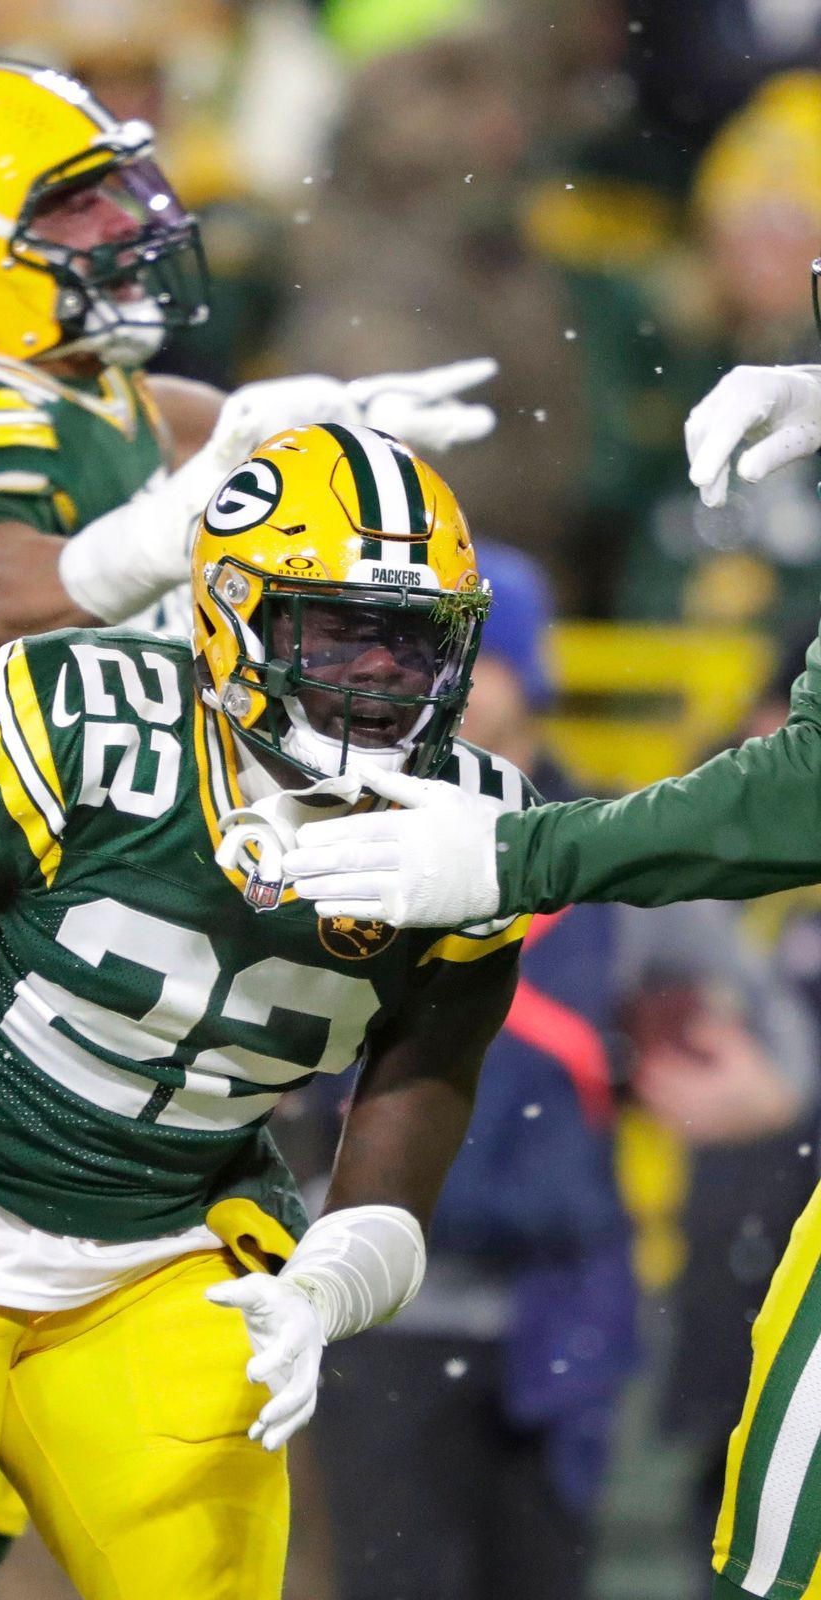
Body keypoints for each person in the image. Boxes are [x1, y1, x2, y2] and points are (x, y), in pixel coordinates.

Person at [0, 426, 535, 1600]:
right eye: (341, 630)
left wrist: (327, 1288)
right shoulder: (96, 723)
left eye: (415, 639)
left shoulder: (473, 830)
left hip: (161, 1250)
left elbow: (412, 1120)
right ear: (229, 617)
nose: (382, 674)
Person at [282, 352, 821, 1600]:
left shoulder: (617, 844)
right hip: (384, 1293)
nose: (414, 679)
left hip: (557, 1297)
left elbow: (768, 1060)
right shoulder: (318, 820)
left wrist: (693, 1075)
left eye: (442, 649)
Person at [0, 54, 499, 752]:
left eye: (116, 189)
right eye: (77, 205)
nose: (121, 220)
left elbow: (200, 438)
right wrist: (156, 537)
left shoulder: (114, 398)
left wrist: (330, 445)